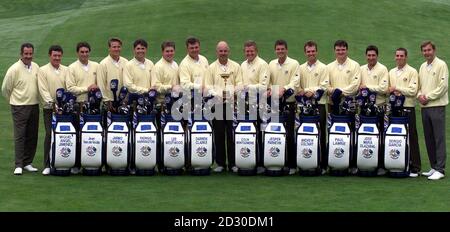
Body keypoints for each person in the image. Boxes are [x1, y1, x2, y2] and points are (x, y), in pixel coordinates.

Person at [2, 43, 40, 175]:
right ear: (21, 54)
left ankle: (27, 162)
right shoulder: (14, 69)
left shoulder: (36, 67)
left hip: (34, 105)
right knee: (20, 136)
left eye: (30, 53)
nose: (28, 56)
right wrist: (13, 101)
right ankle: (18, 164)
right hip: (19, 107)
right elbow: (6, 89)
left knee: (32, 135)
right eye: (26, 54)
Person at [327, 40, 361, 174]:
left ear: (347, 50)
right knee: (334, 133)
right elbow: (326, 85)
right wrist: (333, 91)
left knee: (351, 133)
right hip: (333, 103)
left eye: (343, 50)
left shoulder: (354, 65)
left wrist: (340, 92)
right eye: (338, 50)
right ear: (334, 51)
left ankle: (351, 163)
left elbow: (355, 85)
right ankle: (335, 162)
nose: (340, 52)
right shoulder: (329, 67)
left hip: (350, 103)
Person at [208, 41, 242, 173]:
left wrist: (230, 93)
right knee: (219, 134)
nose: (223, 53)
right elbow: (208, 86)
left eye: (225, 51)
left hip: (232, 105)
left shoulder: (236, 66)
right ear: (217, 52)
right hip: (217, 106)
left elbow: (240, 84)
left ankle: (233, 163)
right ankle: (221, 163)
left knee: (232, 135)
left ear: (229, 51)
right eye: (220, 51)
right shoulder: (211, 68)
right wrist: (218, 94)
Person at [66, 41, 100, 174]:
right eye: (82, 52)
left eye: (86, 52)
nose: (84, 54)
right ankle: (76, 164)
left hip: (93, 106)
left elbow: (100, 84)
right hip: (78, 106)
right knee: (77, 135)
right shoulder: (72, 68)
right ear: (77, 53)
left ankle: (92, 162)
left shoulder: (96, 66)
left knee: (92, 136)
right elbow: (70, 88)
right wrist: (87, 88)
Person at [268, 39, 300, 175]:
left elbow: (295, 82)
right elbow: (268, 81)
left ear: (286, 50)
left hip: (289, 102)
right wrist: (272, 90)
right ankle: (276, 161)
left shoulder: (294, 63)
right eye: (278, 49)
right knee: (276, 133)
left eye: (282, 49)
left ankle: (291, 164)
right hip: (275, 103)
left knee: (289, 133)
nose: (280, 51)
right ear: (275, 50)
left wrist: (284, 89)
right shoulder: (271, 64)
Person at [417, 41, 448, 180]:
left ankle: (440, 169)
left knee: (438, 138)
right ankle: (434, 166)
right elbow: (418, 85)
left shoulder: (441, 64)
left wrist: (427, 97)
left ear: (434, 50)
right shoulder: (423, 66)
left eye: (429, 50)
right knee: (429, 138)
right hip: (425, 107)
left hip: (437, 106)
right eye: (424, 50)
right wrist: (419, 96)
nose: (426, 52)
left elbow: (443, 87)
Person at [388, 47, 420, 177]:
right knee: (395, 138)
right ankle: (397, 163)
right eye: (397, 56)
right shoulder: (391, 72)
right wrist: (393, 90)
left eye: (402, 56)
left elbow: (413, 91)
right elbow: (389, 89)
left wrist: (398, 89)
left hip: (408, 107)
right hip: (394, 109)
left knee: (411, 136)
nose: (399, 58)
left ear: (406, 57)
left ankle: (415, 167)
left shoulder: (412, 71)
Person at [298, 40, 329, 174]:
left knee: (321, 133)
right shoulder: (300, 68)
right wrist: (305, 92)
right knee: (304, 134)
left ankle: (322, 164)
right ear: (305, 53)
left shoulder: (323, 67)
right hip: (304, 105)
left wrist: (311, 91)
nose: (311, 53)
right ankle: (305, 161)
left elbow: (324, 86)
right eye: (308, 51)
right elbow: (297, 86)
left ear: (316, 51)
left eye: (313, 51)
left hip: (319, 105)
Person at [37, 45, 69, 175]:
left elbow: (68, 88)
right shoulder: (42, 70)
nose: (57, 58)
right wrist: (52, 103)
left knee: (66, 135)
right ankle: (47, 164)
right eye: (54, 55)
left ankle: (66, 161)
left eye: (59, 55)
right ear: (50, 55)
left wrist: (65, 104)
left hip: (65, 110)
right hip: (49, 109)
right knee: (50, 134)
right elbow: (43, 89)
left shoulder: (66, 70)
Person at [240, 40, 270, 174]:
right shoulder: (243, 65)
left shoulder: (263, 64)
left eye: (252, 51)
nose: (249, 53)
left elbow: (263, 86)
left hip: (260, 104)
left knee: (260, 133)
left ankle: (261, 163)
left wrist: (247, 87)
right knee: (248, 133)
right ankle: (249, 160)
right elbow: (240, 83)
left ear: (256, 51)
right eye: (247, 51)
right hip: (246, 104)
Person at [359, 45, 389, 175]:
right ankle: (363, 163)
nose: (371, 58)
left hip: (379, 108)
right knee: (364, 138)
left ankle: (380, 165)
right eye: (369, 55)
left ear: (377, 56)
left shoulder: (382, 69)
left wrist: (367, 87)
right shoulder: (361, 69)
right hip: (364, 108)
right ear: (366, 56)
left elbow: (384, 88)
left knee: (380, 137)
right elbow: (357, 87)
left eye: (373, 55)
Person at [151, 41, 180, 170]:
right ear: (162, 52)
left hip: (174, 104)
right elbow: (156, 86)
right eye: (167, 51)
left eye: (171, 51)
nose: (169, 53)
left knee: (173, 135)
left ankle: (173, 160)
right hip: (161, 105)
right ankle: (161, 163)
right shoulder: (158, 66)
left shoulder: (175, 65)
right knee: (161, 134)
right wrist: (171, 87)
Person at [97, 37, 128, 107]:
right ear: (109, 48)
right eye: (114, 47)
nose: (116, 49)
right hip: (109, 102)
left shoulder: (126, 62)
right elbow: (101, 84)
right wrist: (106, 100)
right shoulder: (103, 64)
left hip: (123, 101)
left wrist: (126, 99)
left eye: (118, 47)